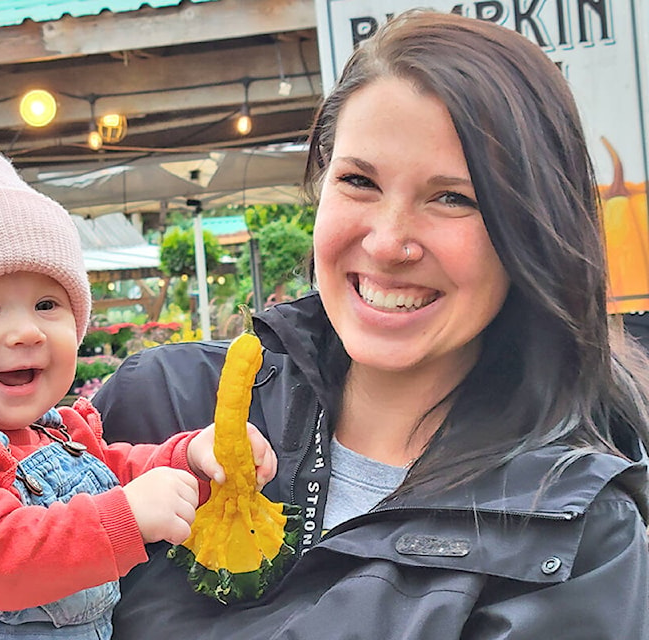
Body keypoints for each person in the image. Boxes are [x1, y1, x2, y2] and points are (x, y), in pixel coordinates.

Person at [94, 10, 649, 639]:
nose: (387, 244)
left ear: (534, 229)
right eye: (359, 181)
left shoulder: (579, 540)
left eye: (453, 198)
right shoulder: (161, 401)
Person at [0, 129, 277, 639]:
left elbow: (116, 471)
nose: (28, 331)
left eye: (47, 305)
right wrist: (123, 518)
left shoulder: (54, 434)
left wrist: (189, 459)